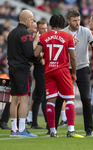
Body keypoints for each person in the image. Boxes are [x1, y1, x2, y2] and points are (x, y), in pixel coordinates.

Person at [34, 14, 83, 138]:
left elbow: (35, 53)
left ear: (51, 24)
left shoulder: (44, 36)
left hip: (49, 71)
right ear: (63, 24)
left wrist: (42, 56)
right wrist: (74, 73)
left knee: (50, 101)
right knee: (69, 99)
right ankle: (71, 130)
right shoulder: (68, 36)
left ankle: (52, 131)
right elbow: (73, 56)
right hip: (62, 70)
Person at [55, 10, 93, 137]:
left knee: (86, 98)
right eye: (75, 20)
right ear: (68, 20)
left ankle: (89, 130)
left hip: (82, 68)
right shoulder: (62, 33)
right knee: (59, 98)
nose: (77, 22)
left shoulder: (86, 32)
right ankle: (53, 128)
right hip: (66, 69)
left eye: (79, 20)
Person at [7, 9, 39, 137]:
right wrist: (38, 57)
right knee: (24, 99)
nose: (32, 22)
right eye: (31, 19)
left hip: (12, 69)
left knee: (14, 99)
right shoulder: (25, 34)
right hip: (22, 69)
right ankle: (21, 129)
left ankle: (14, 129)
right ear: (26, 19)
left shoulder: (11, 33)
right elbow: (30, 54)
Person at [26, 19, 49, 129]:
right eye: (42, 29)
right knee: (43, 96)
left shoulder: (46, 39)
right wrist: (41, 59)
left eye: (46, 28)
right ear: (38, 30)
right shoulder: (36, 39)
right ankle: (49, 123)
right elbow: (33, 54)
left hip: (45, 70)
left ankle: (34, 122)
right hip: (40, 70)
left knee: (38, 96)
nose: (45, 30)